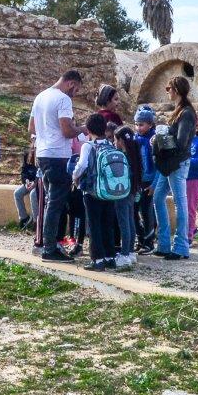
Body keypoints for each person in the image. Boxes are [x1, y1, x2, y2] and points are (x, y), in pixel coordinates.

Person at [29, 69, 83, 262]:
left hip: (43, 155)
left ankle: (46, 244)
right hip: (59, 156)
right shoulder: (63, 99)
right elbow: (67, 131)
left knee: (51, 202)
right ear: (71, 83)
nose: (74, 94)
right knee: (56, 204)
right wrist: (84, 129)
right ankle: (50, 248)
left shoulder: (40, 97)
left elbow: (31, 128)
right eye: (75, 89)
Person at [151, 76, 198, 260]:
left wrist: (161, 139)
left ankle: (180, 246)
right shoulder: (181, 111)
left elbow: (181, 142)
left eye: (168, 88)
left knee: (180, 202)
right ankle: (163, 243)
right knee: (158, 196)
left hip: (177, 163)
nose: (167, 91)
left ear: (176, 90)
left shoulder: (186, 113)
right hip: (170, 163)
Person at [72, 114, 118, 272]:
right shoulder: (110, 145)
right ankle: (110, 257)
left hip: (92, 191)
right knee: (108, 223)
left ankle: (97, 260)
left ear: (89, 129)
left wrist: (75, 178)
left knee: (94, 225)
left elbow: (82, 165)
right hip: (109, 191)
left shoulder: (88, 146)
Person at [112, 125, 141, 268]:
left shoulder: (122, 157)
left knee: (124, 223)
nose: (113, 143)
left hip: (121, 193)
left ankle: (124, 254)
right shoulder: (134, 154)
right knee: (130, 221)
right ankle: (129, 252)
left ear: (121, 141)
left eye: (115, 140)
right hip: (131, 192)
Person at [132, 106, 158, 253]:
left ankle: (149, 242)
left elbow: (158, 165)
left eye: (141, 125)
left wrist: (154, 184)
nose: (138, 127)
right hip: (138, 181)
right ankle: (140, 238)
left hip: (149, 181)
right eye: (136, 124)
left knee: (147, 211)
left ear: (150, 124)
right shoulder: (136, 140)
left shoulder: (153, 141)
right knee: (134, 210)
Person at [14, 139, 38, 230]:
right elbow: (24, 172)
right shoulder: (27, 155)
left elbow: (42, 174)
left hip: (39, 184)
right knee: (17, 193)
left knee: (33, 194)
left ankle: (36, 221)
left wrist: (35, 183)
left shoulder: (42, 156)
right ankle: (24, 218)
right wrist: (26, 180)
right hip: (29, 182)